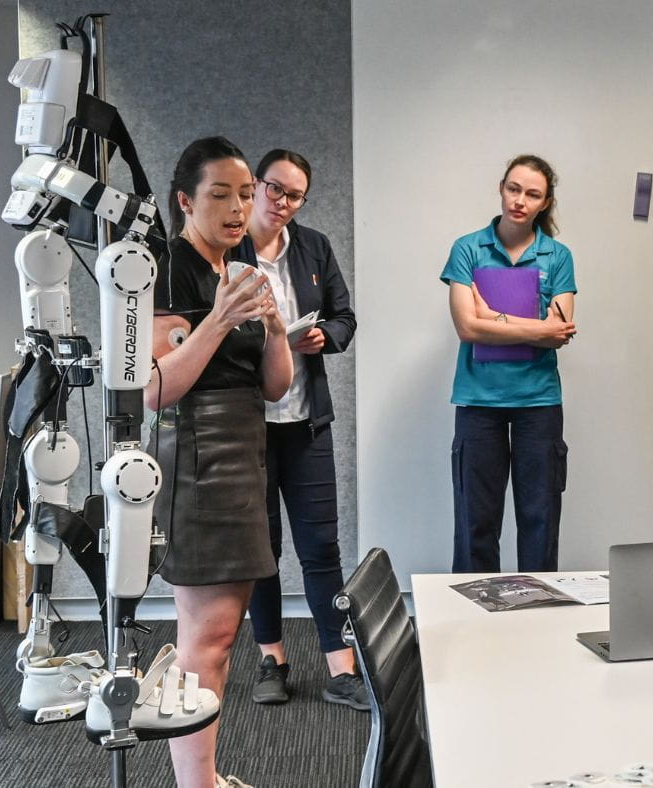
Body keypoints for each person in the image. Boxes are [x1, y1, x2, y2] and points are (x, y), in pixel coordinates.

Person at [147, 137, 292, 788]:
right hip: (199, 454)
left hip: (244, 446)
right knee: (208, 637)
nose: (239, 209)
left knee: (216, 634)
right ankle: (196, 785)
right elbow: (154, 388)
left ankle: (201, 778)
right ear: (185, 200)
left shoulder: (240, 266)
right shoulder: (166, 267)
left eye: (244, 194)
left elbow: (274, 387)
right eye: (220, 195)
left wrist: (278, 328)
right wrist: (219, 321)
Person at [237, 150, 365, 710]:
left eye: (295, 196)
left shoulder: (313, 246)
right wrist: (271, 343)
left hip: (306, 421)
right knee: (260, 550)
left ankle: (342, 667)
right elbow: (210, 335)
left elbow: (344, 316)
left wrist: (323, 338)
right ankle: (272, 660)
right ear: (255, 186)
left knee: (321, 546)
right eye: (275, 190)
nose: (284, 203)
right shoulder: (228, 249)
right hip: (249, 427)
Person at [442, 154, 577, 572]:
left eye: (532, 194)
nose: (520, 200)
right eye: (514, 189)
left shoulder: (557, 255)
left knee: (540, 520)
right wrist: (534, 328)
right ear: (501, 188)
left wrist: (493, 318)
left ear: (545, 202)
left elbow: (559, 332)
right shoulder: (467, 248)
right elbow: (467, 327)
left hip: (537, 402)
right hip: (479, 401)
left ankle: (536, 620)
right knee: (475, 523)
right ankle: (473, 621)